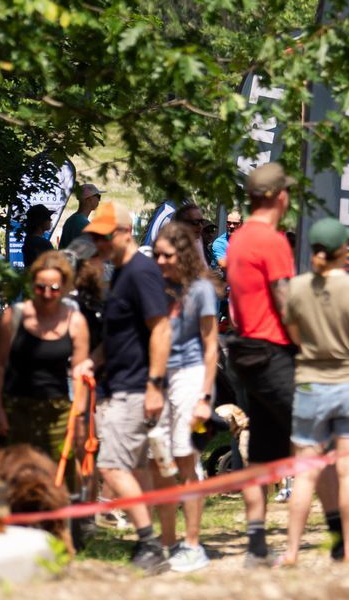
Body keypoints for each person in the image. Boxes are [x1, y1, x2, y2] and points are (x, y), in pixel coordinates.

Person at [279, 219, 349, 565]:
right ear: (343, 252)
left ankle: (291, 552)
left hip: (310, 385)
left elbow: (294, 337)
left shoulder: (296, 288)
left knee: (305, 472)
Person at [81, 202, 171, 574]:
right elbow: (120, 334)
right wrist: (94, 359)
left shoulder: (140, 273)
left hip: (134, 388)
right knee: (135, 468)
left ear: (124, 233)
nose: (98, 245)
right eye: (94, 239)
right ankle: (149, 544)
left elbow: (161, 329)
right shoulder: (120, 274)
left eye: (103, 238)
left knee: (112, 468)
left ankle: (150, 542)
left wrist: (154, 385)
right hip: (120, 382)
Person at [223, 162, 298, 565]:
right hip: (272, 352)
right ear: (277, 196)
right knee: (316, 432)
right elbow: (285, 303)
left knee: (264, 455)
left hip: (245, 352)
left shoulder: (237, 240)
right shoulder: (271, 240)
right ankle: (343, 539)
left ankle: (256, 547)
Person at [152, 221, 218, 573]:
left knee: (185, 459)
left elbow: (210, 347)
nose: (160, 261)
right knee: (158, 460)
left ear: (182, 255)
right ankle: (166, 542)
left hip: (191, 374)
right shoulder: (157, 287)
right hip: (159, 376)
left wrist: (205, 396)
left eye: (166, 255)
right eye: (156, 255)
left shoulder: (201, 290)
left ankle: (193, 544)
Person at [0, 251, 91, 464]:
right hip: (16, 408)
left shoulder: (75, 322)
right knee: (13, 474)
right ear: (32, 284)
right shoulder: (14, 316)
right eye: (40, 287)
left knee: (59, 478)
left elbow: (79, 372)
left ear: (64, 287)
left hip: (58, 412)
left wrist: (79, 415)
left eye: (54, 288)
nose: (46, 293)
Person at [58, 182, 102, 249]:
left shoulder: (71, 220)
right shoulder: (82, 223)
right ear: (90, 199)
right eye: (98, 196)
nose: (99, 200)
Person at [20, 205, 57, 271]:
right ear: (40, 221)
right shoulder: (43, 243)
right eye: (48, 218)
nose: (50, 219)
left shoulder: (29, 239)